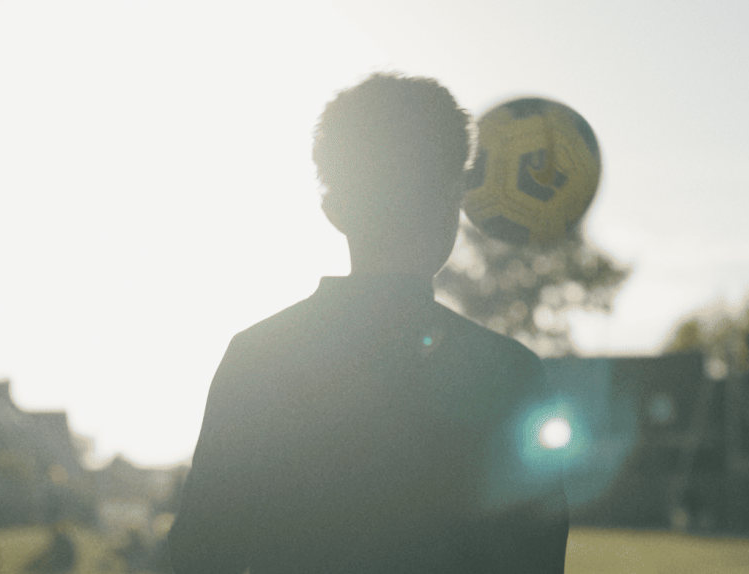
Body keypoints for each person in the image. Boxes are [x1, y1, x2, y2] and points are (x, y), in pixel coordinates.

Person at [168, 72, 569, 573]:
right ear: (453, 197)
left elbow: (196, 559)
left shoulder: (258, 358)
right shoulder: (510, 374)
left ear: (333, 209)